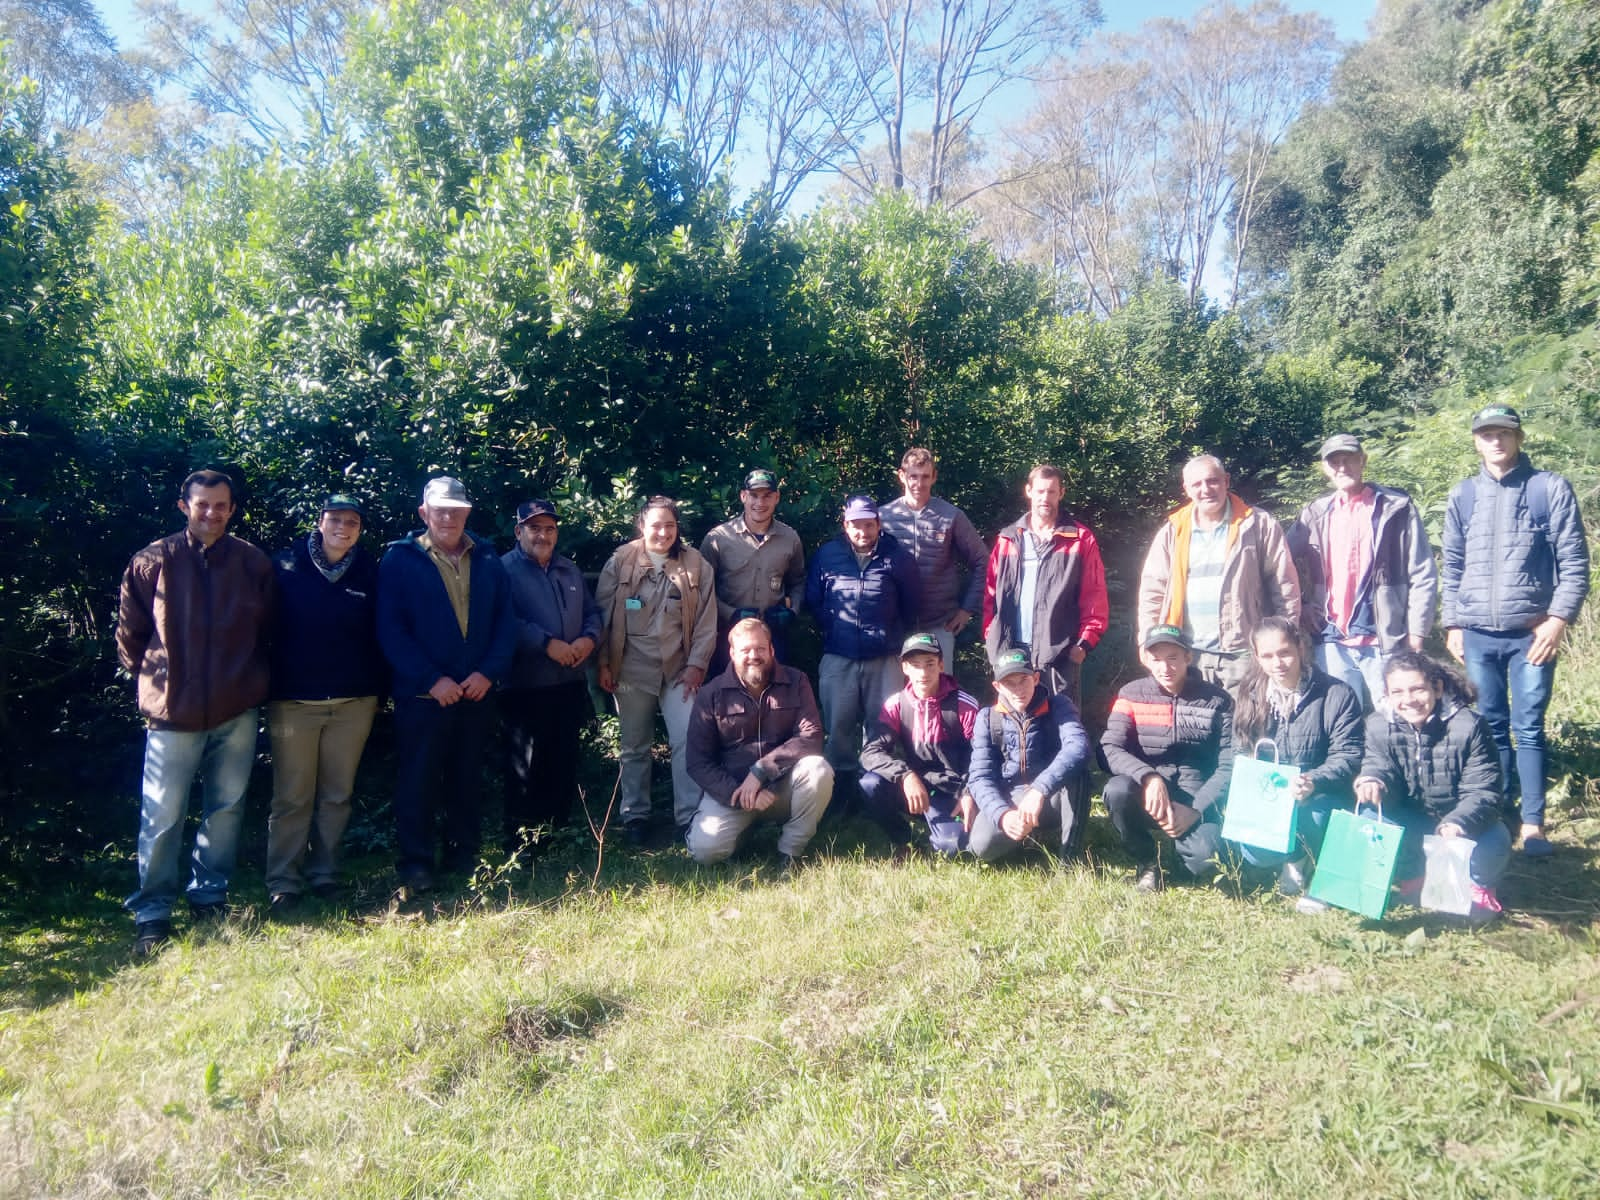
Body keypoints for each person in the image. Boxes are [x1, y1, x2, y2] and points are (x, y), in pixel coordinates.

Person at [117, 469, 275, 955]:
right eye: (203, 504)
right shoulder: (152, 561)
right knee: (162, 815)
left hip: (236, 707)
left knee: (226, 808)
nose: (212, 513)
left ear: (232, 509)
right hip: (173, 712)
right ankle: (153, 912)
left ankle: (209, 897)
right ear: (184, 506)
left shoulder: (251, 563)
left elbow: (269, 632)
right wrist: (158, 685)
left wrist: (250, 683)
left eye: (221, 505)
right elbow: (131, 637)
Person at [1441, 403, 1590, 858]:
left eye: (1504, 433)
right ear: (1476, 441)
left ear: (1519, 437)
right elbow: (1451, 566)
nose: (1496, 440)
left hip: (1532, 634)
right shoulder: (1463, 496)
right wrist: (1453, 622)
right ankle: (1498, 815)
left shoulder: (1549, 489)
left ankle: (1532, 825)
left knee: (1528, 728)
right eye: (1487, 433)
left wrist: (1558, 620)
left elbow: (1575, 564)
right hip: (1478, 634)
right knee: (1489, 727)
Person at [377, 476, 515, 893]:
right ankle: (416, 864)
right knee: (418, 779)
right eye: (440, 509)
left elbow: (505, 623)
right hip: (423, 696)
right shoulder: (399, 560)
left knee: (466, 776)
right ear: (424, 513)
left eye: (457, 510)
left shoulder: (488, 557)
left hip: (475, 691)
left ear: (467, 513)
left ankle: (463, 855)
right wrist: (431, 679)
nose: (449, 517)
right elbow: (390, 629)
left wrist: (487, 673)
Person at [265, 494, 385, 914]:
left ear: (360, 529)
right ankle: (283, 881)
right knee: (292, 796)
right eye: (335, 518)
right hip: (293, 701)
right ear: (319, 522)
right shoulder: (283, 567)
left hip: (354, 701)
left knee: (337, 794)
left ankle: (325, 874)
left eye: (352, 521)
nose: (343, 527)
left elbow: (381, 632)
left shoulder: (370, 571)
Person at [596, 495, 719, 843]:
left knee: (686, 742)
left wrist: (697, 666)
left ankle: (688, 818)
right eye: (656, 525)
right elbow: (602, 616)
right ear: (641, 526)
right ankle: (635, 816)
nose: (663, 532)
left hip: (680, 671)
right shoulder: (621, 561)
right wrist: (604, 663)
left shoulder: (696, 563)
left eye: (670, 525)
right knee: (634, 746)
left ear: (677, 527)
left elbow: (708, 622)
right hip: (630, 670)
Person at [1356, 650, 1512, 923]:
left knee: (1496, 838)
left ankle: (1478, 886)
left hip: (1461, 825)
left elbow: (1483, 790)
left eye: (1417, 689)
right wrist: (1372, 779)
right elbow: (1378, 764)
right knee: (1370, 818)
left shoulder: (1470, 725)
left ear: (1437, 688)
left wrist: (1458, 821)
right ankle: (1413, 875)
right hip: (1415, 820)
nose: (1409, 700)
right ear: (1387, 694)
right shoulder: (1377, 724)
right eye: (1398, 692)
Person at [1226, 617, 1365, 912]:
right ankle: (1290, 858)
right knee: (1254, 854)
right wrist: (1253, 773)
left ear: (1300, 647)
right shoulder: (1250, 693)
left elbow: (1349, 754)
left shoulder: (1337, 694)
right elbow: (1237, 746)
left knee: (1315, 819)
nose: (1278, 663)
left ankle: (1311, 864)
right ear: (1257, 657)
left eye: (1284, 652)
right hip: (1270, 796)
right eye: (1267, 655)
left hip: (1320, 794)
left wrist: (1313, 780)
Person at [1288, 434, 1437, 710]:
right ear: (1325, 468)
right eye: (1335, 462)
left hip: (1386, 637)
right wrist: (1302, 605)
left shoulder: (1395, 507)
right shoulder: (1315, 513)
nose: (1342, 467)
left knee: (1397, 715)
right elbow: (1280, 560)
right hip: (1332, 638)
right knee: (1342, 719)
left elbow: (1422, 572)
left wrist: (1417, 632)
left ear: (1363, 461)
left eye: (1349, 459)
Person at [1137, 454, 1301, 693]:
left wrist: (1285, 638)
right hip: (1186, 653)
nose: (1206, 489)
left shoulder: (1258, 524)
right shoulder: (1173, 531)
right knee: (1193, 725)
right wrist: (1146, 640)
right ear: (1187, 489)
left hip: (1244, 652)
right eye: (1197, 484)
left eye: (1212, 481)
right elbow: (1153, 591)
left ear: (1226, 480)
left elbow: (1284, 584)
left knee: (1246, 724)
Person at [685, 618, 834, 867]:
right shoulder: (711, 694)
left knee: (818, 769)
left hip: (782, 788)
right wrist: (738, 792)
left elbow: (811, 737)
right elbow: (698, 762)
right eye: (745, 650)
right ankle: (742, 834)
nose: (754, 655)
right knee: (705, 852)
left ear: (772, 650)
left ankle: (790, 851)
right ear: (732, 653)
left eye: (760, 649)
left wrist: (761, 770)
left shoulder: (797, 681)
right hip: (734, 791)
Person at [500, 498, 603, 852]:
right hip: (525, 686)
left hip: (569, 683)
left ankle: (557, 835)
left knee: (562, 761)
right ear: (519, 531)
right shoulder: (502, 571)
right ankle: (521, 845)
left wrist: (589, 639)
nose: (543, 535)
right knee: (526, 765)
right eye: (534, 528)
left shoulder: (568, 569)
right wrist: (546, 644)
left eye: (549, 528)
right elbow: (503, 621)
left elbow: (592, 611)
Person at [1101, 624, 1234, 890]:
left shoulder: (1218, 700)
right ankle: (1147, 860)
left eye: (1172, 657)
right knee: (1116, 790)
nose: (1165, 668)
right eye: (1156, 659)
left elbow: (1230, 763)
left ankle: (1180, 855)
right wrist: (1148, 776)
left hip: (1195, 793)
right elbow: (1109, 747)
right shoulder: (1131, 694)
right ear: (1147, 660)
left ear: (1188, 657)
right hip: (1147, 792)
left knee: (1207, 862)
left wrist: (1197, 808)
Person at [805, 494, 921, 785]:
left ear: (878, 524)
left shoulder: (898, 557)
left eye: (868, 525)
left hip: (885, 657)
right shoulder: (827, 555)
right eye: (856, 525)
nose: (862, 532)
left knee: (882, 726)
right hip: (838, 655)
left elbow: (912, 606)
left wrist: (888, 636)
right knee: (837, 725)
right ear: (845, 525)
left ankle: (877, 785)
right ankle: (840, 787)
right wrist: (833, 628)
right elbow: (814, 600)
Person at [982, 463, 1108, 703]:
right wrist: (992, 638)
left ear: (1061, 493)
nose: (1045, 498)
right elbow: (990, 597)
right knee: (1015, 731)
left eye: (1051, 492)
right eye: (1040, 491)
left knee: (1062, 729)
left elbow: (1095, 596)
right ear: (1028, 491)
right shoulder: (1008, 539)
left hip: (1059, 654)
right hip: (1012, 653)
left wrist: (1083, 645)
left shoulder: (1080, 539)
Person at [858, 633, 981, 858]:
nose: (923, 673)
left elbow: (984, 756)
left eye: (930, 664)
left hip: (953, 790)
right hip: (916, 786)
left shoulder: (964, 704)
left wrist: (970, 792)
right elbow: (870, 752)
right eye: (915, 665)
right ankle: (905, 840)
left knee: (951, 848)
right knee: (869, 784)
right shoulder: (895, 704)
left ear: (941, 665)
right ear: (904, 668)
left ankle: (939, 835)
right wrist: (905, 775)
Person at [966, 648, 1092, 863]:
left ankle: (1069, 860)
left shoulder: (1059, 705)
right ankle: (1027, 837)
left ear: (1035, 678)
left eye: (1023, 680)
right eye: (1009, 683)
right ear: (997, 686)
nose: (1018, 690)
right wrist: (1003, 814)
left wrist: (1039, 790)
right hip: (1010, 797)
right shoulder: (987, 718)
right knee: (981, 847)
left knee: (1079, 775)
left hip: (1050, 796)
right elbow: (980, 777)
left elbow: (1078, 747)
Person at [879, 448, 990, 671]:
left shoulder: (951, 516)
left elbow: (983, 560)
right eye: (913, 476)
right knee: (898, 700)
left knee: (939, 695)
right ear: (902, 476)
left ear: (934, 477)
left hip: (939, 624)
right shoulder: (883, 517)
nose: (919, 483)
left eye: (925, 476)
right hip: (895, 626)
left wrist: (967, 609)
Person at [699, 469, 805, 664]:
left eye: (767, 496)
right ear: (743, 496)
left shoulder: (790, 538)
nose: (760, 503)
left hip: (774, 636)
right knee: (728, 692)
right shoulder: (719, 538)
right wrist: (730, 613)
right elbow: (702, 588)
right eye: (754, 496)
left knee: (774, 691)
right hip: (728, 635)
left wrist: (792, 612)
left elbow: (798, 581)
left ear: (777, 497)